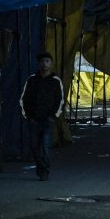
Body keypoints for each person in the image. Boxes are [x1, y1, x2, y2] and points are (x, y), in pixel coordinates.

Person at [20, 52, 64, 181]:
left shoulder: (56, 81)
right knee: (34, 146)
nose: (44, 64)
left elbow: (60, 101)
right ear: (38, 64)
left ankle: (44, 171)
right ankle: (41, 167)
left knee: (45, 146)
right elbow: (24, 99)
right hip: (34, 120)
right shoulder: (32, 80)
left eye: (47, 61)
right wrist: (29, 117)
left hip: (48, 120)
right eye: (42, 61)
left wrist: (53, 117)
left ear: (51, 63)